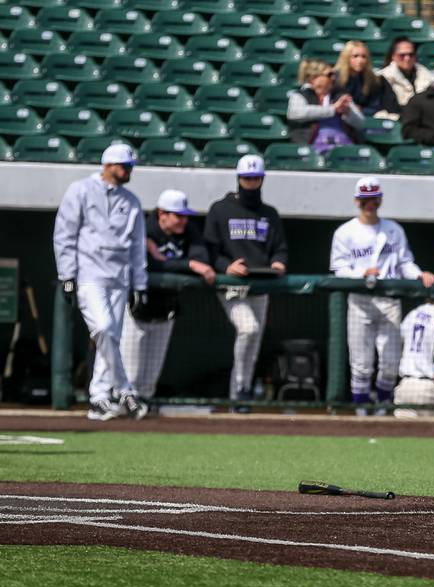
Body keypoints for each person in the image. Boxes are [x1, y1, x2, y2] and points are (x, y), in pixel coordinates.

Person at [53, 143, 148, 421]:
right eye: (124, 166)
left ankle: (99, 398)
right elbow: (65, 234)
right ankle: (124, 390)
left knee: (111, 338)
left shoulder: (131, 201)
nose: (129, 171)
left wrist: (139, 284)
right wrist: (66, 274)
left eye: (131, 166)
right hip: (89, 275)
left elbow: (137, 247)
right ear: (108, 165)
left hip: (119, 278)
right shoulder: (80, 190)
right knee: (104, 330)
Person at [330, 176, 434, 415]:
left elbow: (406, 262)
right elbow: (338, 269)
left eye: (374, 199)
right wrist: (361, 273)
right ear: (357, 201)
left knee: (389, 364)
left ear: (380, 200)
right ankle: (361, 413)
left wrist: (419, 275)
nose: (370, 204)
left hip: (389, 301)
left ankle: (382, 412)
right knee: (361, 365)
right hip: (360, 301)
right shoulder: (345, 232)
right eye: (365, 199)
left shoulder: (393, 229)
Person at [204, 155, 289, 409]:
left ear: (262, 180)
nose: (251, 183)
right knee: (248, 329)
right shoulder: (220, 209)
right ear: (239, 179)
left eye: (255, 178)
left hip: (261, 286)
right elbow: (209, 249)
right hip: (231, 285)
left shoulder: (269, 213)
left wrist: (278, 262)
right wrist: (225, 266)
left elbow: (280, 248)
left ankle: (240, 397)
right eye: (247, 178)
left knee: (253, 344)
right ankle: (240, 389)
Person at [120, 189, 214, 404]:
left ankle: (142, 413)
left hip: (166, 308)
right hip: (137, 307)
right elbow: (145, 264)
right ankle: (122, 408)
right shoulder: (144, 228)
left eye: (185, 216)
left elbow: (202, 258)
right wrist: (187, 264)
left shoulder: (189, 230)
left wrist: (171, 262)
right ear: (162, 213)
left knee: (150, 376)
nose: (184, 221)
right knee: (131, 371)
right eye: (178, 216)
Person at [286, 59, 365, 155]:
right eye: (329, 75)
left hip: (344, 146)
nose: (334, 78)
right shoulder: (300, 95)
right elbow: (295, 113)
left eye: (334, 74)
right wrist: (333, 109)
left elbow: (361, 123)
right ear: (314, 78)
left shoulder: (340, 96)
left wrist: (348, 112)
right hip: (312, 149)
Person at [393, 301, 434, 418]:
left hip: (405, 385)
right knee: (431, 434)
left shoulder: (413, 313)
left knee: (401, 434)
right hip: (428, 387)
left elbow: (398, 342)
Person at [334, 40, 400, 118]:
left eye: (364, 56)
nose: (360, 60)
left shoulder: (374, 80)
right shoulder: (335, 78)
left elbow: (377, 105)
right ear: (346, 58)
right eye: (355, 56)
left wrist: (362, 109)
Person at [378, 37, 434, 107]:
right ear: (393, 56)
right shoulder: (382, 77)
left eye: (411, 54)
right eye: (402, 55)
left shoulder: (428, 76)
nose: (407, 58)